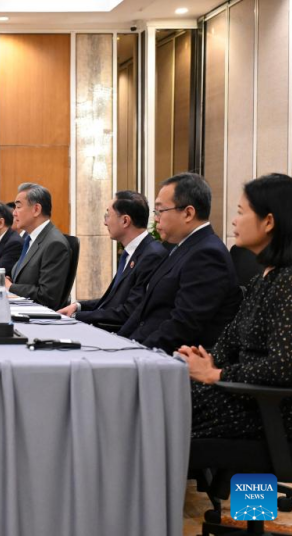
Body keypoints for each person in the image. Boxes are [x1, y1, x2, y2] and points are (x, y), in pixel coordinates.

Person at [177, 173, 292, 439]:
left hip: (265, 411)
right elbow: (228, 343)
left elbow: (283, 366)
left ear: (269, 222)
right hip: (239, 395)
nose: (234, 220)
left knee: (156, 411)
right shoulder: (260, 280)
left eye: (241, 212)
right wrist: (201, 360)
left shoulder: (288, 281)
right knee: (157, 395)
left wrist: (216, 374)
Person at [118, 173, 242, 354]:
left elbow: (183, 325)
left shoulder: (207, 254)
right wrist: (118, 342)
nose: (156, 219)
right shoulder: (178, 247)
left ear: (188, 213)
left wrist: (134, 352)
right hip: (142, 347)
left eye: (160, 211)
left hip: (169, 358)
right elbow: (144, 310)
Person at [58, 191, 167, 328]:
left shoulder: (152, 255)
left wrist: (77, 317)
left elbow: (129, 311)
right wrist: (78, 306)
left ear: (125, 221)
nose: (105, 222)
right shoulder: (131, 253)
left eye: (108, 215)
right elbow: (112, 301)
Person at [0, 183, 71, 310]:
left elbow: (47, 297)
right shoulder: (30, 239)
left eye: (18, 207)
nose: (14, 213)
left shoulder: (54, 244)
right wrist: (5, 280)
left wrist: (10, 287)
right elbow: (28, 279)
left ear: (36, 209)